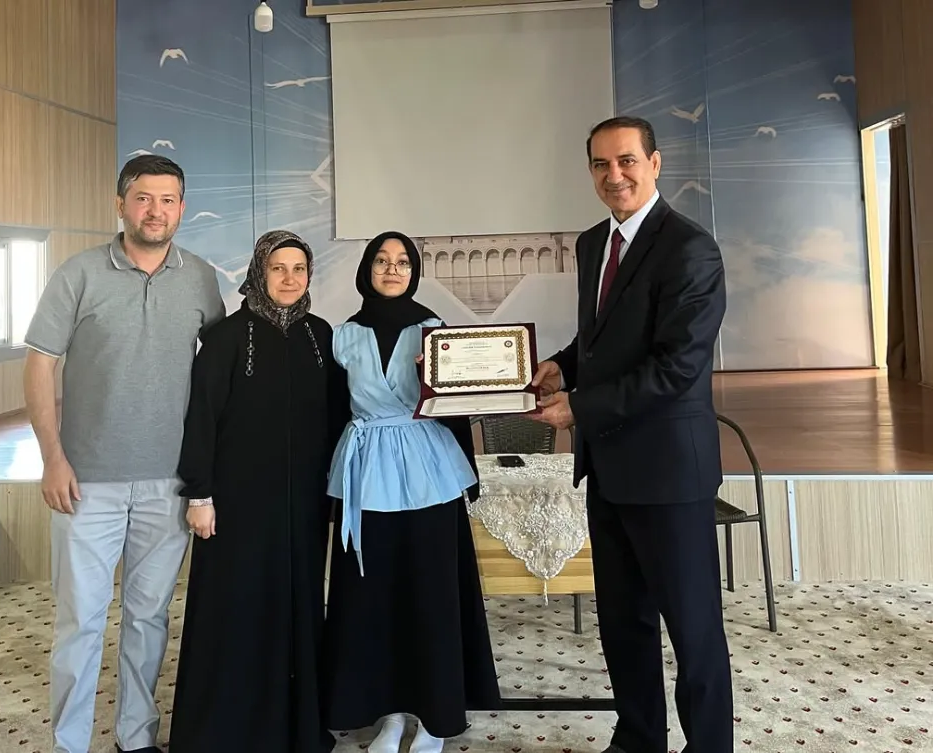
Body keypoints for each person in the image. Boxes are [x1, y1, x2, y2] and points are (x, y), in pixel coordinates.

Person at [530, 116, 732, 753]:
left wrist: (579, 408)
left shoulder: (690, 248)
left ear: (655, 163)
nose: (613, 175)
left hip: (669, 473)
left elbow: (677, 366)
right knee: (624, 623)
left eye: (626, 161)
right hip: (610, 469)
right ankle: (639, 738)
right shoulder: (594, 243)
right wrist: (562, 365)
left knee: (693, 632)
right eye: (600, 164)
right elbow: (603, 339)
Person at [22, 155, 225, 753]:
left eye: (167, 200)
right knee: (80, 621)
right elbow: (39, 364)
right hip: (86, 483)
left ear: (181, 208)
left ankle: (135, 738)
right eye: (143, 198)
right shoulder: (78, 273)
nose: (155, 211)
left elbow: (219, 374)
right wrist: (52, 457)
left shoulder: (200, 278)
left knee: (148, 618)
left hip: (169, 484)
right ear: (120, 204)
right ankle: (69, 743)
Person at [321, 231, 501, 753]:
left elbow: (458, 405)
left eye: (402, 262)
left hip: (428, 470)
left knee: (430, 595)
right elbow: (331, 413)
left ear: (414, 272)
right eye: (382, 260)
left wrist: (470, 473)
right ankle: (391, 714)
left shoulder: (435, 331)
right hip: (364, 473)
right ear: (367, 269)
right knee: (373, 599)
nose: (392, 269)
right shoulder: (342, 336)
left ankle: (435, 718)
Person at [167, 230, 342, 753]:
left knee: (298, 607)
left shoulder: (321, 335)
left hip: (303, 505)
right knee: (237, 609)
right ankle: (228, 731)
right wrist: (200, 495)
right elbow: (201, 418)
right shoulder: (225, 338)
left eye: (299, 269)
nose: (289, 279)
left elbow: (338, 418)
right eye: (278, 268)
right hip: (237, 506)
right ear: (258, 273)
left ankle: (295, 727)